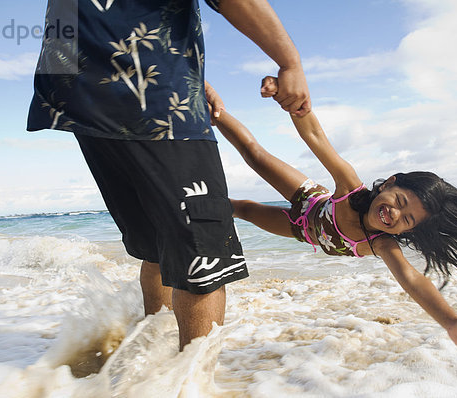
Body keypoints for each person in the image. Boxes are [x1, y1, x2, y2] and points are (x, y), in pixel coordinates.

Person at [26, 0, 310, 351]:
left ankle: (151, 363)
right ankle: (192, 385)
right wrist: (290, 62)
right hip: (148, 94)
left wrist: (189, 74)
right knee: (203, 258)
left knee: (159, 245)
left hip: (79, 89)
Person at [205, 77, 457, 371]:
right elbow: (317, 138)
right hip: (312, 200)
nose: (394, 215)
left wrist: (451, 322)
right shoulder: (351, 188)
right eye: (399, 202)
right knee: (255, 154)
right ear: (388, 183)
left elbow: (413, 281)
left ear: (408, 231)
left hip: (301, 230)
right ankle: (211, 109)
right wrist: (294, 105)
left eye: (407, 220)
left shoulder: (381, 243)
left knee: (241, 209)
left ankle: (190, 206)